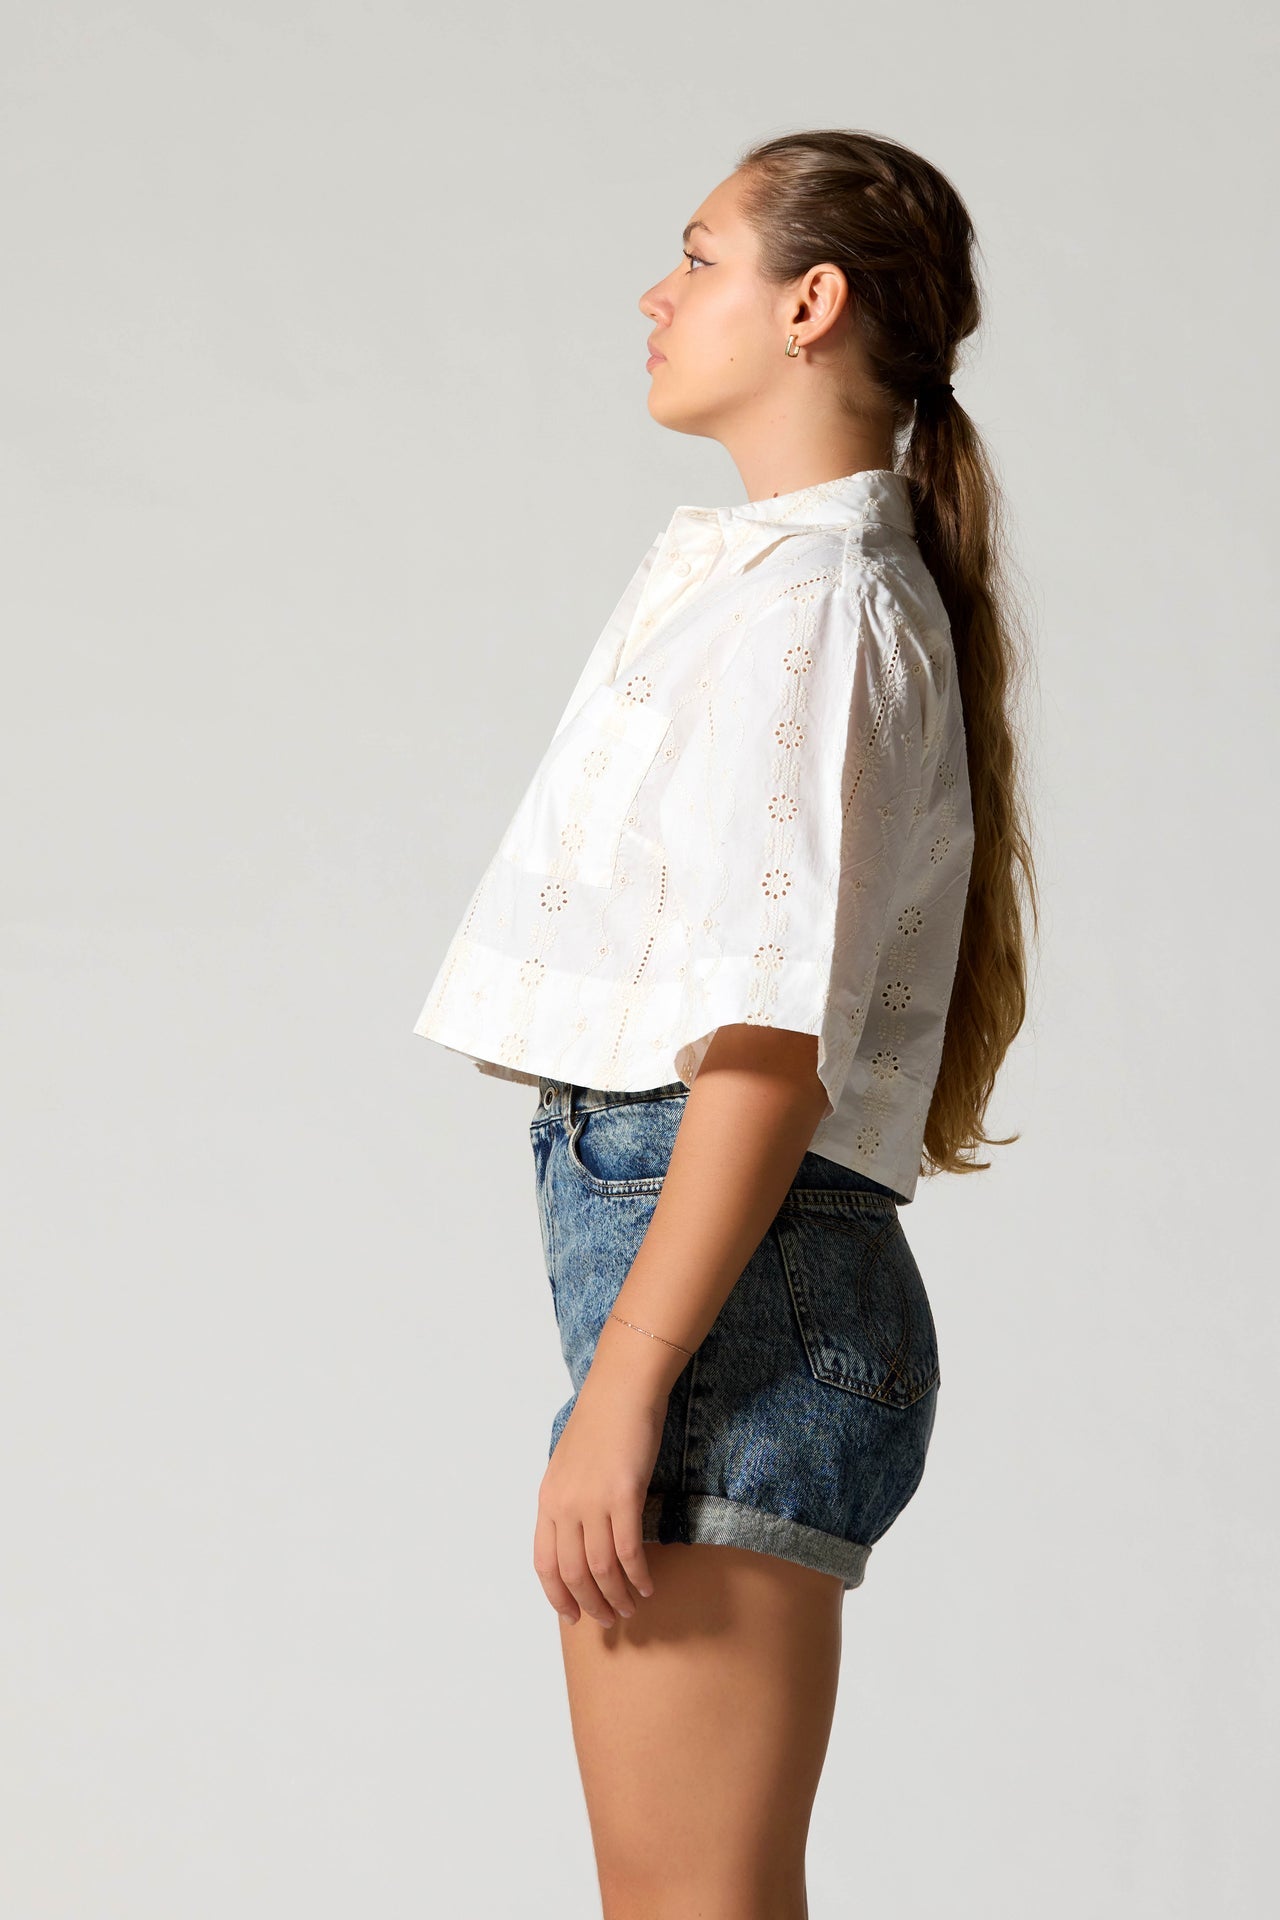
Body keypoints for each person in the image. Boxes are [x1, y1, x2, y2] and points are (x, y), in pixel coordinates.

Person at [412, 127, 1037, 1920]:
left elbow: (763, 1049)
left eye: (698, 257)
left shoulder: (815, 611)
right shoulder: (784, 587)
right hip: (728, 1293)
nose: (656, 294)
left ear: (809, 302)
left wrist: (627, 1391)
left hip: (726, 1311)